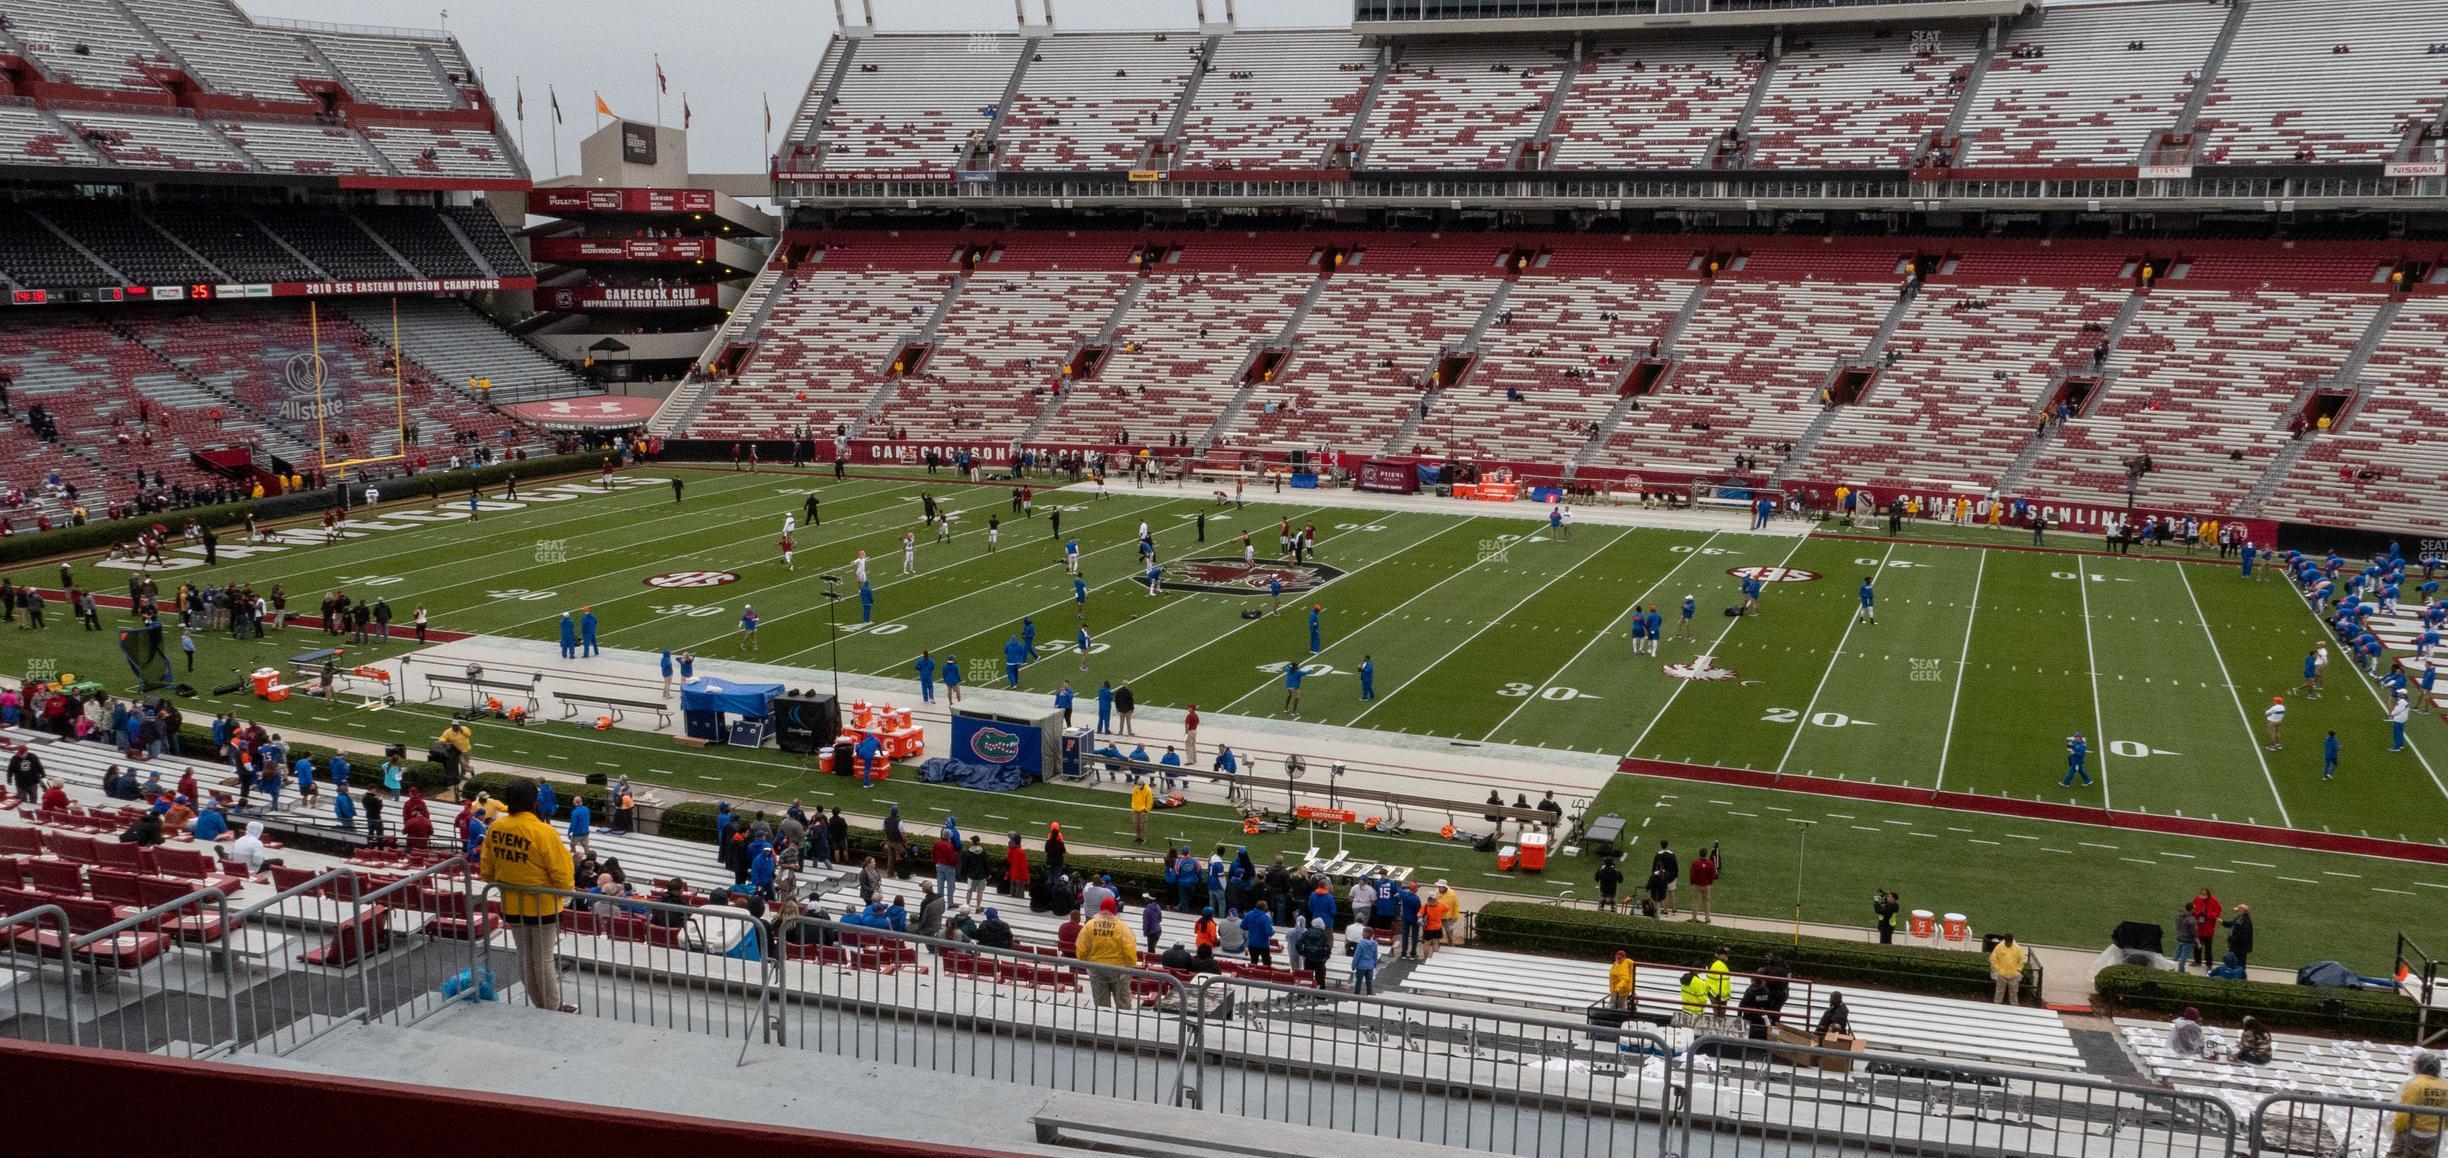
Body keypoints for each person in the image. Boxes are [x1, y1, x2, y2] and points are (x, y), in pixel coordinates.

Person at [482, 778, 576, 1012]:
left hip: (512, 903)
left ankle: (540, 1003)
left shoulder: (496, 828)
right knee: (543, 958)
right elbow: (563, 875)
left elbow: (487, 870)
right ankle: (552, 1006)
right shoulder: (543, 832)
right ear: (534, 803)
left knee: (525, 956)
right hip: (543, 905)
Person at [1077, 899, 1140, 1007]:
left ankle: (1103, 1023)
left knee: (1101, 1005)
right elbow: (1129, 950)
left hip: (1096, 969)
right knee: (1123, 1004)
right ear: (1114, 910)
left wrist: (1085, 961)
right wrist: (1130, 966)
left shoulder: (1089, 925)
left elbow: (1081, 949)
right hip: (1119, 971)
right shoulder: (1122, 927)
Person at [2389, 1051, 2445, 1155]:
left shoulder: (2415, 1085)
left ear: (2420, 1066)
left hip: (2412, 1132)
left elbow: (2404, 1112)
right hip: (2433, 1134)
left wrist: (2396, 1128)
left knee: (2395, 1155)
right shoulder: (2445, 1085)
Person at [1296, 917, 1334, 988]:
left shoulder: (1306, 933)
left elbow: (1298, 943)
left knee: (1307, 978)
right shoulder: (1323, 934)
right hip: (1319, 959)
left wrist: (1302, 953)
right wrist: (1326, 957)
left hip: (1308, 958)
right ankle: (1320, 996)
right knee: (1320, 979)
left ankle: (1305, 994)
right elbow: (1328, 947)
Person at [1989, 933, 2025, 1005]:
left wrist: (2018, 970)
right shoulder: (1999, 947)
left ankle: (2014, 1005)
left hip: (2014, 975)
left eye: (2009, 942)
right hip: (2001, 974)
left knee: (2014, 992)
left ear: (2012, 941)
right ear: (2005, 941)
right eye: (2007, 942)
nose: (2008, 944)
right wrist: (1998, 969)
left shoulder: (2017, 948)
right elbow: (1993, 959)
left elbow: (2022, 960)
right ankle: (1997, 1005)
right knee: (1999, 991)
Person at [2223, 904, 2255, 970]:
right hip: (2236, 946)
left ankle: (2240, 977)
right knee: (2236, 963)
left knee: (2240, 964)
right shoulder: (2239, 918)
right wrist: (2223, 922)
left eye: (2237, 911)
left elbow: (2242, 937)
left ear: (2242, 911)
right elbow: (2232, 924)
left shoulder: (2246, 922)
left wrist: (2230, 938)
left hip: (2240, 948)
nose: (2236, 912)